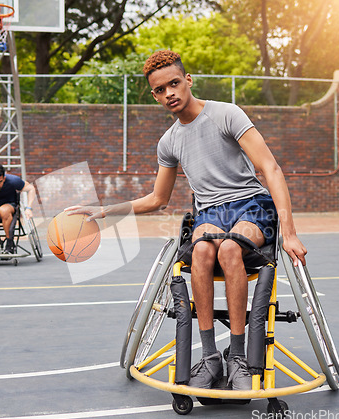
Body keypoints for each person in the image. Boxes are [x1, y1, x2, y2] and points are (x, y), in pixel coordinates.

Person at [66, 50, 307, 390]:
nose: (169, 94)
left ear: (188, 80)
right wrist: (105, 212)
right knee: (203, 251)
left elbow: (271, 168)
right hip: (210, 213)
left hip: (252, 205)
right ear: (154, 94)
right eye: (161, 90)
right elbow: (157, 199)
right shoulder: (169, 142)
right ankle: (209, 357)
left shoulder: (227, 114)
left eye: (174, 84)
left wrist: (291, 233)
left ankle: (236, 356)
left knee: (229, 249)